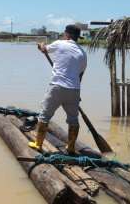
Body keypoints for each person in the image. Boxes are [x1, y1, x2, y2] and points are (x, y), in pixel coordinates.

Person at [28, 24, 87, 154]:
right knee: (73, 119)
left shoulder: (60, 43)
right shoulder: (83, 53)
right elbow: (80, 75)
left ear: (67, 35)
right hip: (74, 89)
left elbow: (44, 49)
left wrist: (41, 45)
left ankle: (38, 144)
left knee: (44, 116)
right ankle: (71, 147)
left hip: (57, 87)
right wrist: (76, 94)